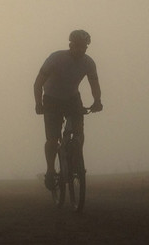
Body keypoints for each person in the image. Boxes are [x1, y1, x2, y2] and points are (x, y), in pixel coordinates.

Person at [33, 29, 103, 190]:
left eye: (84, 47)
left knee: (78, 132)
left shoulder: (88, 63)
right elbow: (38, 84)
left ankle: (75, 160)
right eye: (78, 46)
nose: (81, 50)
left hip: (72, 98)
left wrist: (97, 101)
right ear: (70, 45)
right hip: (51, 99)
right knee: (52, 139)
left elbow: (94, 84)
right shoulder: (56, 59)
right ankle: (50, 170)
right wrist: (38, 104)